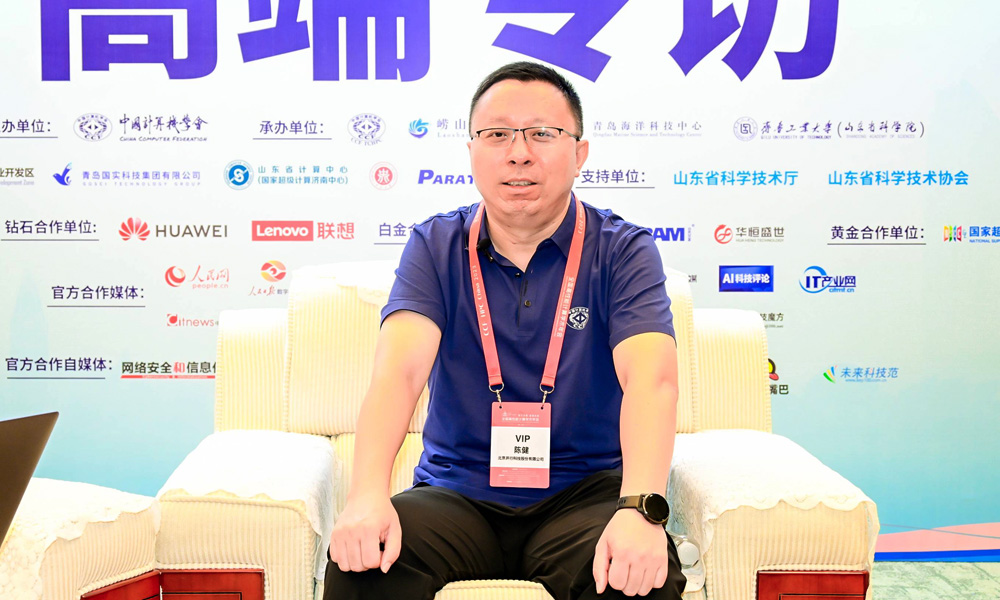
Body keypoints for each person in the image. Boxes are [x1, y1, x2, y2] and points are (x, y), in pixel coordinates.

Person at [325, 61, 685, 600]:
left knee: (637, 580)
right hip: (457, 494)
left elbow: (651, 381)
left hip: (584, 496)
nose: (519, 153)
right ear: (471, 151)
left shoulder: (622, 250)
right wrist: (366, 496)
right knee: (363, 565)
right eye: (497, 135)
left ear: (580, 153)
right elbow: (398, 374)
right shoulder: (435, 245)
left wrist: (639, 511)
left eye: (542, 133)